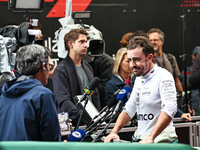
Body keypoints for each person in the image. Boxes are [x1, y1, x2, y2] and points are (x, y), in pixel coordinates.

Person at [104, 36, 178, 143]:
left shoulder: (163, 76)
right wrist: (114, 132)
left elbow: (170, 108)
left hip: (162, 141)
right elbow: (130, 108)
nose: (132, 65)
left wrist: (151, 137)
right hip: (141, 138)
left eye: (137, 59)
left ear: (149, 57)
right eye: (129, 60)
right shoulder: (139, 78)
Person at [0, 44, 61, 141]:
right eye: (50, 66)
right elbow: (51, 140)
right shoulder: (44, 95)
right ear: (44, 67)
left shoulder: (3, 95)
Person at [52, 29, 101, 126]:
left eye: (86, 42)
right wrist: (83, 117)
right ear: (70, 44)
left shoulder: (88, 67)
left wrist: (96, 116)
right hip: (73, 123)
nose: (86, 45)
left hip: (91, 123)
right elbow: (64, 100)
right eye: (81, 42)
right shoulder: (61, 69)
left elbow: (95, 95)